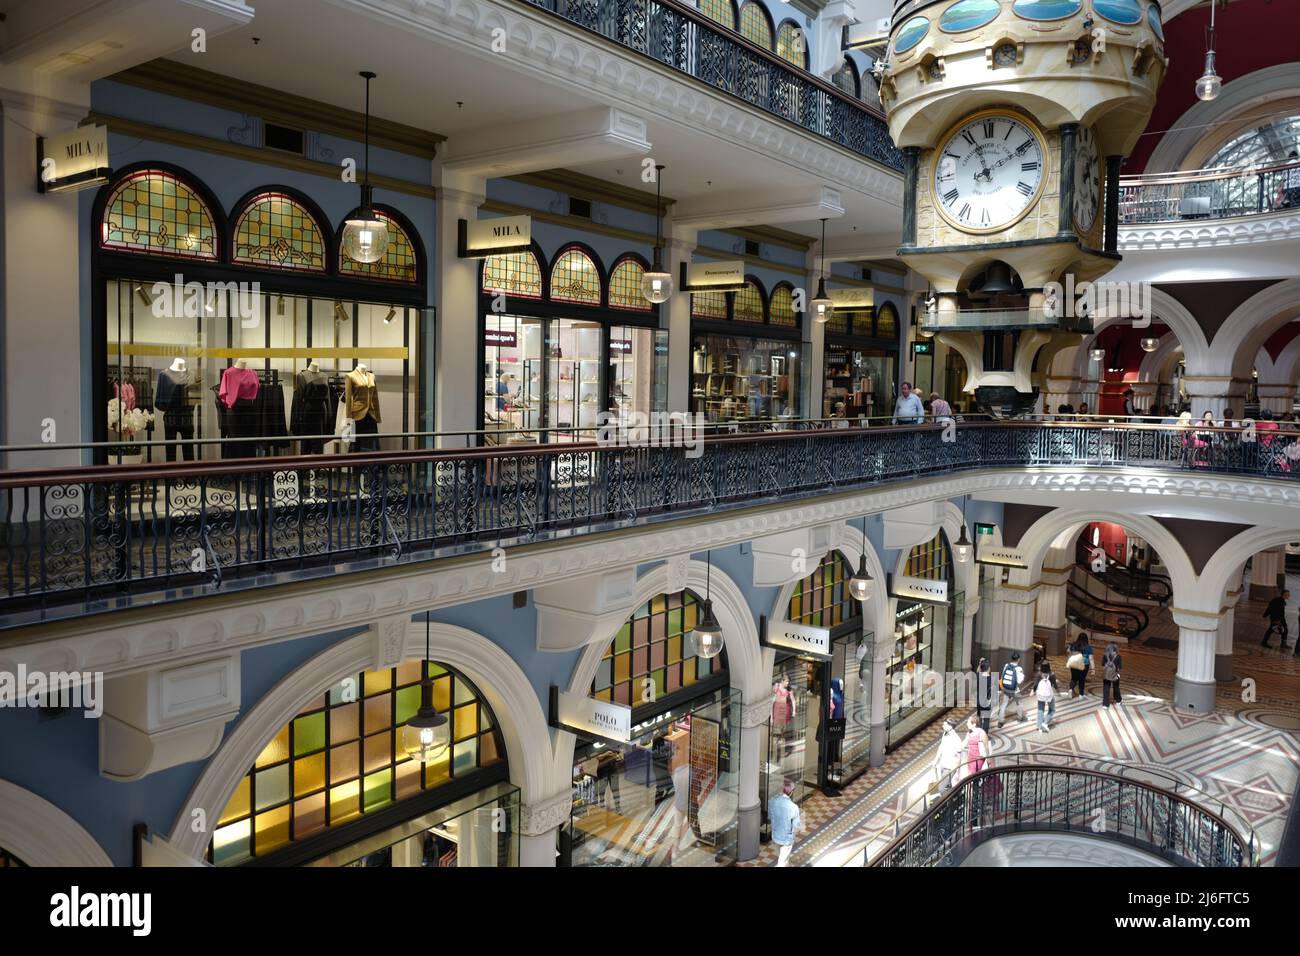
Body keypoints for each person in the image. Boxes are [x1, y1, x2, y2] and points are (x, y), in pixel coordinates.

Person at [768, 778, 802, 867]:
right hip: (786, 839)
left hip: (775, 835)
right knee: (782, 862)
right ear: (792, 792)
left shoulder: (772, 801)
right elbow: (796, 826)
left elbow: (770, 816)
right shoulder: (794, 807)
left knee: (782, 858)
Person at [996, 651, 1026, 727]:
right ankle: (1020, 717)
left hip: (1006, 689)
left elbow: (1002, 676)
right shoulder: (1019, 668)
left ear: (1011, 658)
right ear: (1018, 659)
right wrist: (1023, 676)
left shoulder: (1006, 665)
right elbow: (1019, 681)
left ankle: (1000, 721)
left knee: (1004, 704)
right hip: (1014, 690)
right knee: (1019, 703)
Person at [934, 719, 964, 791]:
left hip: (950, 768)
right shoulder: (945, 733)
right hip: (942, 764)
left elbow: (958, 757)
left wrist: (957, 772)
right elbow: (941, 747)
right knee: (947, 785)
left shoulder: (956, 739)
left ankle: (945, 800)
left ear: (950, 727)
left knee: (941, 789)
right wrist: (935, 760)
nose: (942, 726)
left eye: (945, 725)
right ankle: (954, 797)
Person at [1035, 662, 1058, 732]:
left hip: (1041, 695)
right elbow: (1054, 685)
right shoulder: (1052, 674)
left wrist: (1033, 691)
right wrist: (1058, 691)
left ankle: (1039, 726)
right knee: (1052, 710)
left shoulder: (1039, 674)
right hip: (1049, 695)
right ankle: (1044, 723)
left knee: (1040, 709)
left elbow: (1035, 685)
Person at [974, 658, 995, 731]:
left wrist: (980, 664)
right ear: (989, 668)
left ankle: (978, 732)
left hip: (979, 701)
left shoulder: (978, 676)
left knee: (979, 716)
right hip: (987, 702)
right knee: (986, 720)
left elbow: (977, 671)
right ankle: (984, 735)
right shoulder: (991, 679)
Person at [1101, 643, 1123, 707]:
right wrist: (1118, 674)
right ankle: (1118, 700)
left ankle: (1105, 704)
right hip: (1115, 674)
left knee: (1106, 688)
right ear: (1116, 650)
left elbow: (1103, 665)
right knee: (1116, 687)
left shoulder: (1105, 656)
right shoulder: (1118, 657)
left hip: (1106, 674)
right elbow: (1119, 667)